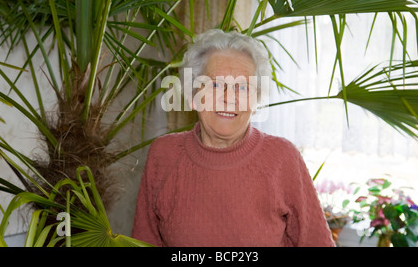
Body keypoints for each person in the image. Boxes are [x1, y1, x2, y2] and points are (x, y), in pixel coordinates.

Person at [131, 29, 335, 247]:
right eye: (215, 85)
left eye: (242, 87)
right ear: (193, 96)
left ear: (256, 101)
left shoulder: (282, 158)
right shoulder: (163, 155)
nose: (229, 98)